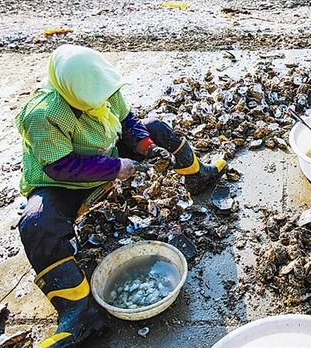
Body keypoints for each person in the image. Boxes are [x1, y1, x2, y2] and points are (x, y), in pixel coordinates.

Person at [15, 44, 226, 348]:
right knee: (36, 222)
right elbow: (61, 167)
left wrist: (146, 148)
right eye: (92, 102)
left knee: (156, 128)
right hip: (61, 183)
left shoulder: (104, 87)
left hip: (106, 157)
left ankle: (198, 176)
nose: (103, 101)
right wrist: (117, 167)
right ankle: (78, 311)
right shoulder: (44, 114)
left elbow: (128, 123)